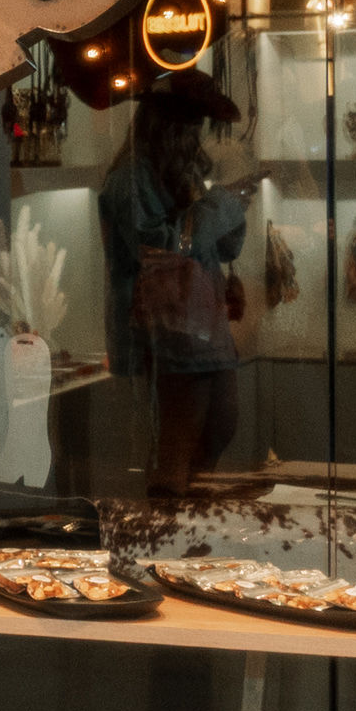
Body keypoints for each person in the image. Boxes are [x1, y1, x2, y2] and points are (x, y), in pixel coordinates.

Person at [99, 68, 250, 491]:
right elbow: (164, 247)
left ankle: (187, 524)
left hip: (196, 326)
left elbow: (213, 247)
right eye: (189, 125)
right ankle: (172, 531)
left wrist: (229, 209)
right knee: (180, 446)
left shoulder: (172, 172)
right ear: (166, 125)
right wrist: (224, 205)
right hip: (165, 333)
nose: (194, 137)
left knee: (218, 427)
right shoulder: (131, 178)